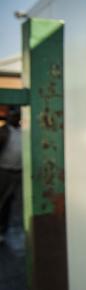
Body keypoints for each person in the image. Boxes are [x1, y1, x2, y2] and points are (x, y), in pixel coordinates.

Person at [0, 107, 25, 254]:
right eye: (13, 115)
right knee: (3, 201)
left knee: (17, 203)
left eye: (18, 116)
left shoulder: (23, 131)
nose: (15, 118)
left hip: (19, 171)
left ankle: (14, 228)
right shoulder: (4, 131)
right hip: (4, 171)